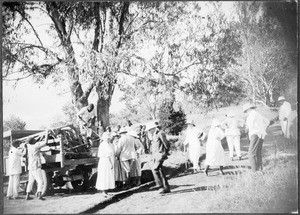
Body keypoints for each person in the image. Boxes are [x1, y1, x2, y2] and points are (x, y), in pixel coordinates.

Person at [243, 103, 270, 172]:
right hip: (261, 134)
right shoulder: (258, 114)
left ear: (249, 109)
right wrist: (263, 129)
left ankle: (254, 172)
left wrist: (248, 131)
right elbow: (267, 121)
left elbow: (250, 125)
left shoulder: (251, 114)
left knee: (251, 154)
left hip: (255, 134)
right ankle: (260, 169)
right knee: (258, 152)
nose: (246, 112)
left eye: (246, 111)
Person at [146, 122, 171, 194]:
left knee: (155, 169)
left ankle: (160, 186)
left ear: (153, 128)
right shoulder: (153, 135)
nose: (149, 131)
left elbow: (166, 144)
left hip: (160, 154)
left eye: (149, 130)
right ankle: (166, 187)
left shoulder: (160, 133)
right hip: (155, 155)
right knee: (160, 170)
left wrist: (165, 152)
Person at [25, 130, 49, 200]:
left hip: (30, 166)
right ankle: (39, 194)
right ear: (33, 142)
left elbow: (32, 141)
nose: (36, 141)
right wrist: (46, 134)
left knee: (31, 181)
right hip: (36, 165)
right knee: (40, 181)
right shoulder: (36, 146)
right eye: (34, 140)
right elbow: (46, 142)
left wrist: (39, 137)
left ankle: (27, 195)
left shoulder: (29, 146)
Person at [95, 132, 116, 197]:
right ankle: (103, 190)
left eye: (108, 138)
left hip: (107, 161)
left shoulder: (108, 144)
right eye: (106, 138)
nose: (108, 139)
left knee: (107, 175)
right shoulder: (104, 144)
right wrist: (112, 163)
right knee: (104, 175)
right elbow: (108, 155)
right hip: (105, 161)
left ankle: (106, 191)